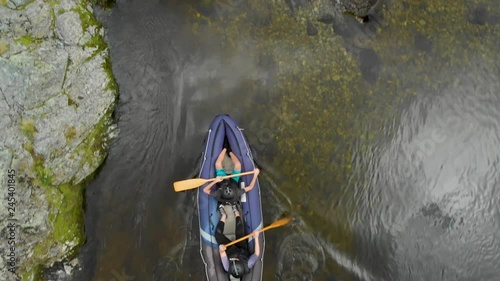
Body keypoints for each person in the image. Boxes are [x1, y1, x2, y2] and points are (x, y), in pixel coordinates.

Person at [216, 205, 261, 278]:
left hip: (231, 250)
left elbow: (222, 253)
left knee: (218, 235)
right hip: (242, 249)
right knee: (239, 231)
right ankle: (237, 213)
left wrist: (221, 249)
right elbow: (256, 253)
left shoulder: (227, 267)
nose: (234, 258)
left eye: (233, 260)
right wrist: (256, 237)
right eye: (236, 259)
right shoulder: (248, 264)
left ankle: (224, 216)